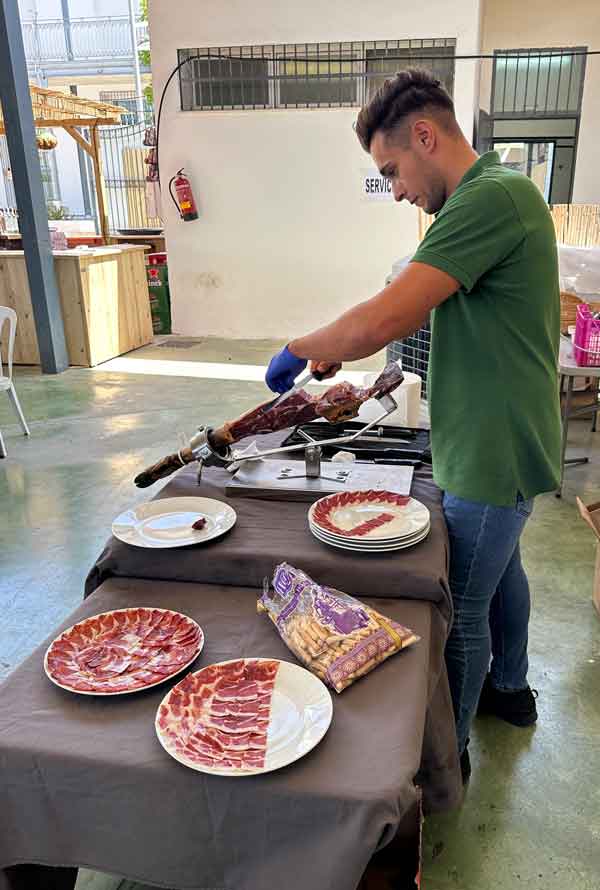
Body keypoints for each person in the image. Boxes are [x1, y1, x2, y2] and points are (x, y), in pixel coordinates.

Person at [264, 69, 562, 782]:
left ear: (426, 136)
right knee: (502, 572)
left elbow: (393, 313)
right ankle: (511, 691)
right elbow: (402, 297)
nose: (395, 188)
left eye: (392, 169)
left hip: (492, 447)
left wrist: (306, 346)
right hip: (489, 436)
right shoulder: (483, 202)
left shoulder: (493, 197)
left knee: (460, 611)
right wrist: (338, 343)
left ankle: (446, 755)